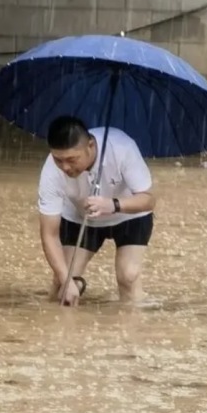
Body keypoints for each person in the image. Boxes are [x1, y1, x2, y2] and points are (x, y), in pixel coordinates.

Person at [37, 115, 156, 306]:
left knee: (128, 276)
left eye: (72, 159)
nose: (65, 167)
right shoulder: (52, 171)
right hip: (80, 218)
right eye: (58, 160)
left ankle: (134, 330)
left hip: (129, 216)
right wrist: (65, 278)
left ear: (90, 146)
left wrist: (113, 205)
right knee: (63, 284)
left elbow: (149, 200)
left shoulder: (122, 148)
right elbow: (49, 234)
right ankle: (59, 331)